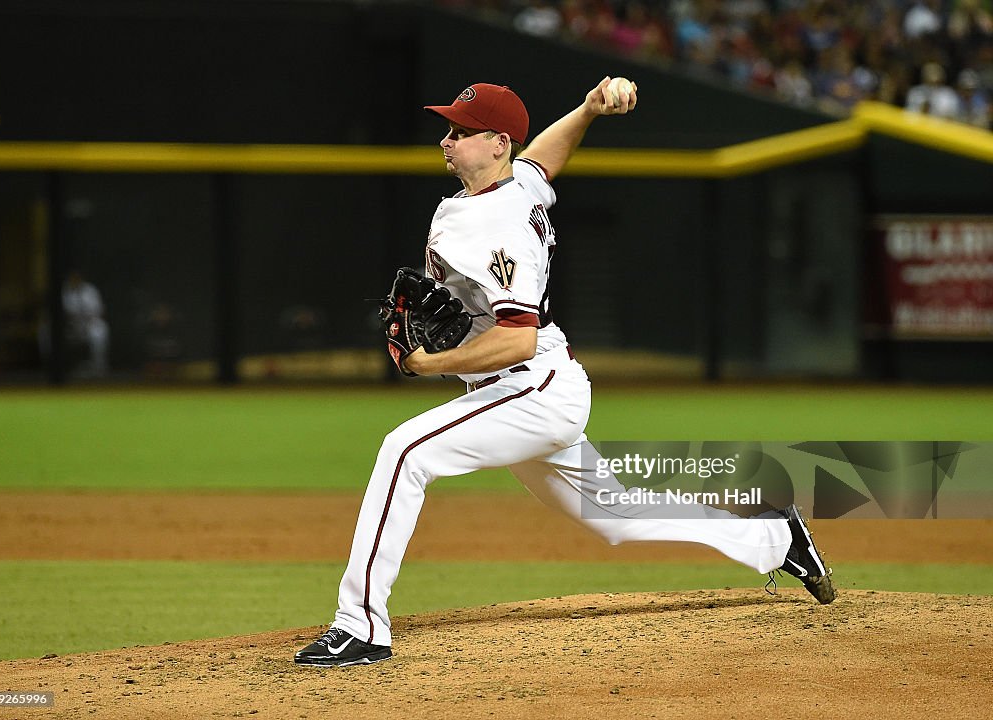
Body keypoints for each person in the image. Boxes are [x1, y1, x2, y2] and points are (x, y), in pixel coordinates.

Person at [294, 78, 834, 668]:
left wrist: (430, 365)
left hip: (532, 391)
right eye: (448, 130)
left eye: (461, 132)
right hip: (530, 387)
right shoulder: (512, 184)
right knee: (616, 518)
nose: (447, 141)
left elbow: (517, 338)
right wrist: (588, 109)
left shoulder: (497, 226)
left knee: (404, 452)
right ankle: (777, 535)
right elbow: (542, 160)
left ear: (497, 143)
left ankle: (362, 623)